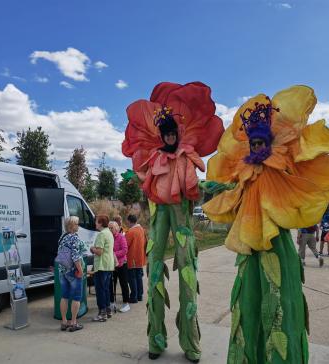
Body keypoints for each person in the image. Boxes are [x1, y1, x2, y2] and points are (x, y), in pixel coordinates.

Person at [203, 86, 329, 363]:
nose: (256, 148)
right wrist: (208, 187)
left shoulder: (280, 162)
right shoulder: (245, 170)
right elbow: (231, 192)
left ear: (267, 143)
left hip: (275, 240)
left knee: (280, 299)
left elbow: (301, 172)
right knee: (249, 300)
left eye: (260, 143)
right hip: (248, 244)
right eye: (252, 144)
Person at [122, 81, 224, 362]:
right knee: (154, 271)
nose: (168, 138)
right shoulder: (155, 157)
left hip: (181, 219)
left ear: (176, 134)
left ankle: (191, 343)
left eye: (171, 134)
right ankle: (156, 340)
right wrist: (134, 177)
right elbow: (148, 181)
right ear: (161, 136)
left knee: (187, 276)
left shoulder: (186, 157)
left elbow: (195, 187)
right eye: (164, 134)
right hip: (160, 218)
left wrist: (216, 186)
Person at [57, 216, 86, 332]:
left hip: (62, 270)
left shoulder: (62, 237)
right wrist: (80, 270)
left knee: (64, 296)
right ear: (72, 226)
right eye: (77, 224)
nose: (78, 226)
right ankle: (73, 323)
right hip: (73, 271)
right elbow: (76, 257)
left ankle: (64, 322)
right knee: (76, 297)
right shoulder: (74, 238)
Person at [90, 215, 115, 322]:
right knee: (105, 289)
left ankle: (102, 313)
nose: (95, 223)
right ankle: (108, 310)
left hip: (101, 266)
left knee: (100, 290)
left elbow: (99, 252)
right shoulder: (109, 232)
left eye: (96, 221)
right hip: (108, 265)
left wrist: (92, 249)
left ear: (100, 223)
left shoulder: (101, 234)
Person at [108, 221, 131, 313]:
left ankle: (126, 303)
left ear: (116, 228)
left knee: (123, 283)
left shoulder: (121, 236)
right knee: (111, 284)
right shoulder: (108, 237)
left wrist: (113, 254)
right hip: (111, 264)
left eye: (112, 228)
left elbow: (125, 250)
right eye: (109, 228)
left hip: (121, 264)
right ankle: (111, 302)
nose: (110, 230)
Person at [125, 214, 147, 304]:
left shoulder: (131, 232)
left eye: (127, 221)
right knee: (138, 277)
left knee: (132, 278)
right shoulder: (142, 230)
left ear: (130, 221)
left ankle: (134, 296)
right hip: (140, 257)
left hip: (132, 257)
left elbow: (125, 245)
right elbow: (146, 241)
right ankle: (140, 295)